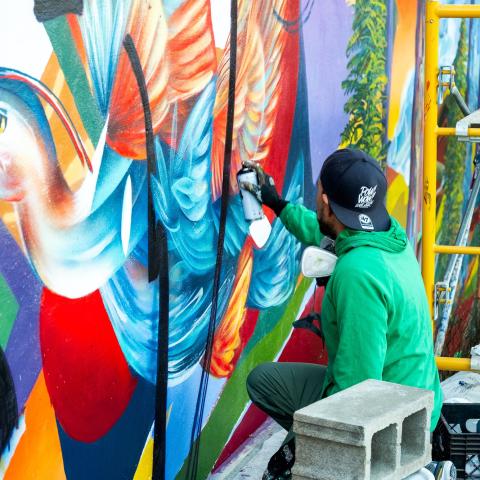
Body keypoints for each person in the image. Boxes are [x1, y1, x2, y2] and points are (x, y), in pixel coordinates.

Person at [241, 148, 444, 480]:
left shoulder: (356, 274)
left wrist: (298, 449)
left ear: (324, 199)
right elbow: (323, 229)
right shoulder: (388, 235)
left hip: (393, 420)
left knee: (289, 468)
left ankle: (394, 470)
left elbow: (356, 391)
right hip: (416, 400)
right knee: (263, 381)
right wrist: (276, 203)